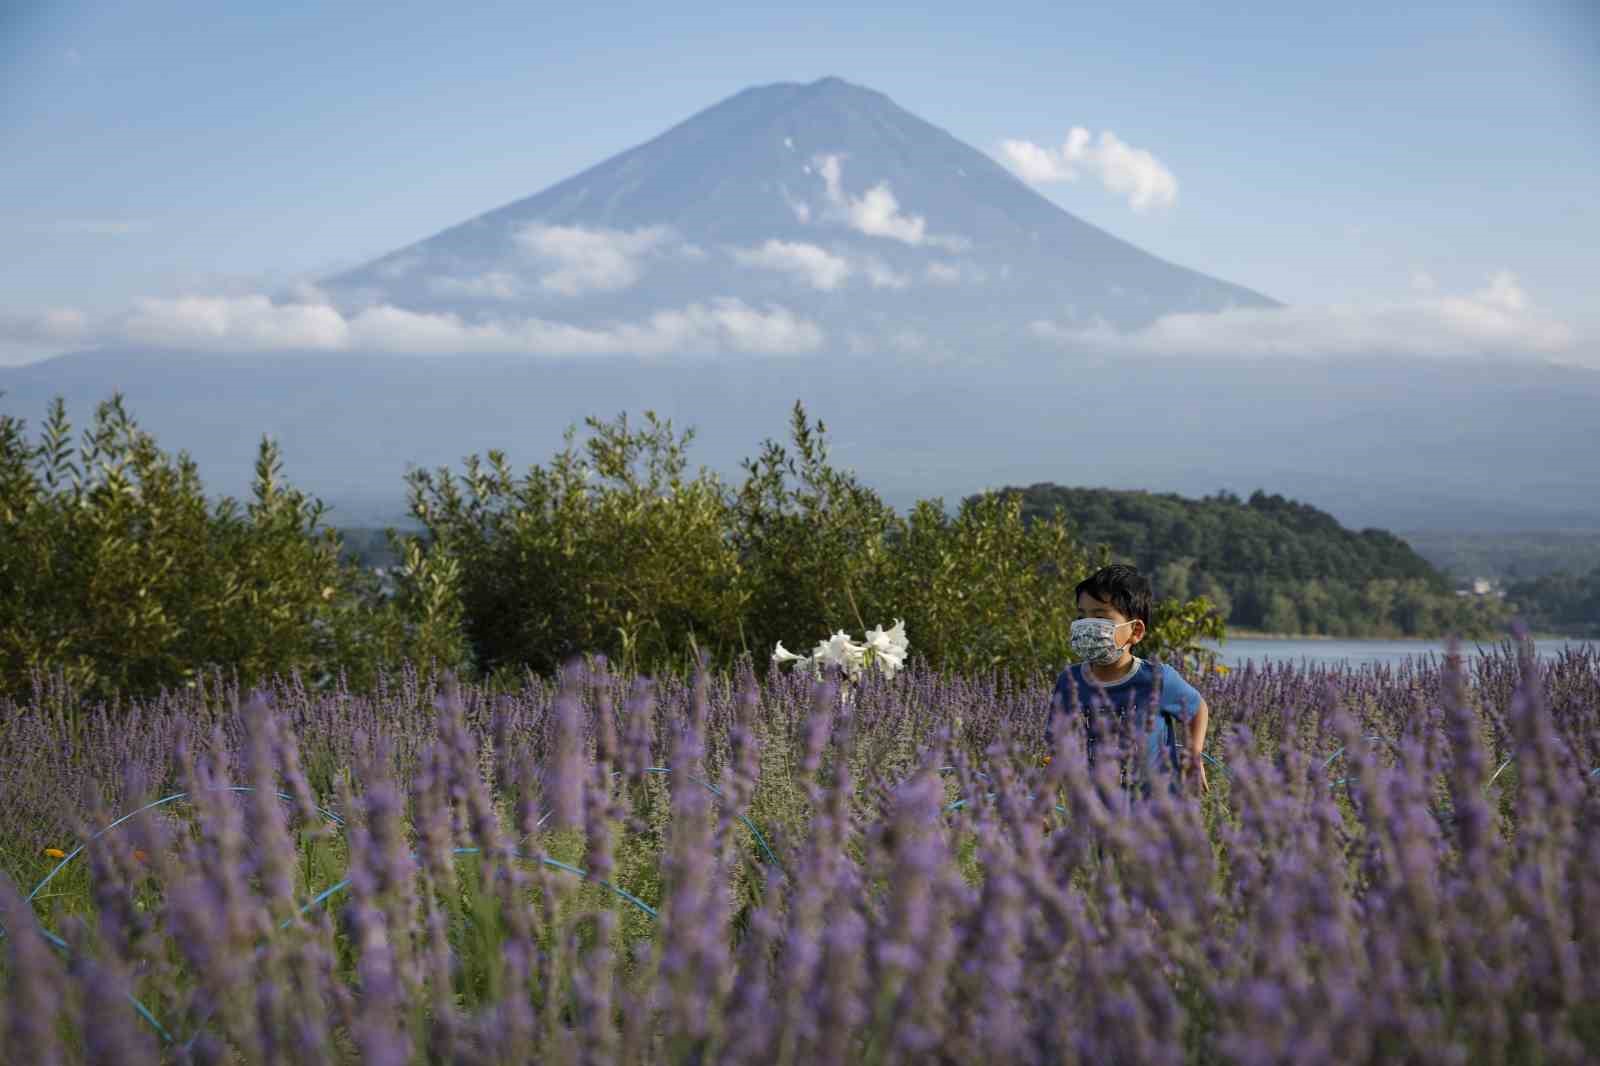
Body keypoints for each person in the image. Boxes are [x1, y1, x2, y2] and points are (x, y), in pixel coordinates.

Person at [1046, 564, 1211, 797]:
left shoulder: (1157, 679)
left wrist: (1194, 754)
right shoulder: (1070, 682)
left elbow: (1197, 708)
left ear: (1135, 631)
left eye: (1100, 617)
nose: (1087, 625)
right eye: (1082, 615)